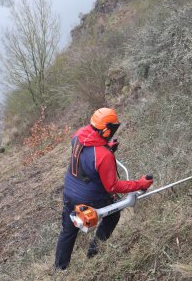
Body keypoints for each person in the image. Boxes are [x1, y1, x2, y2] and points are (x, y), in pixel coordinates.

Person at [54, 108, 154, 270]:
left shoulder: (79, 135)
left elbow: (87, 154)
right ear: (106, 130)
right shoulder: (103, 156)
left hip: (69, 191)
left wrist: (106, 146)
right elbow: (113, 186)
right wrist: (140, 184)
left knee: (68, 231)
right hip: (90, 197)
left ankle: (59, 269)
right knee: (113, 214)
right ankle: (95, 252)